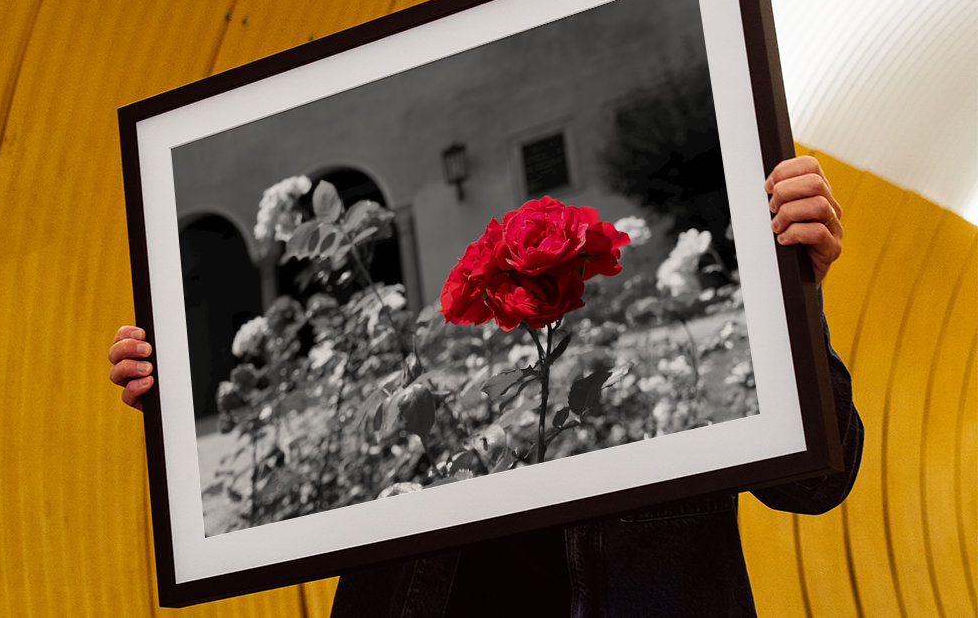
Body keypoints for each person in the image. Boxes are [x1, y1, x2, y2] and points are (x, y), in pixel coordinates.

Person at [109, 156, 862, 617]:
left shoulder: (648, 373)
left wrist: (795, 293)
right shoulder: (437, 391)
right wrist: (174, 404)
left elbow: (819, 482)